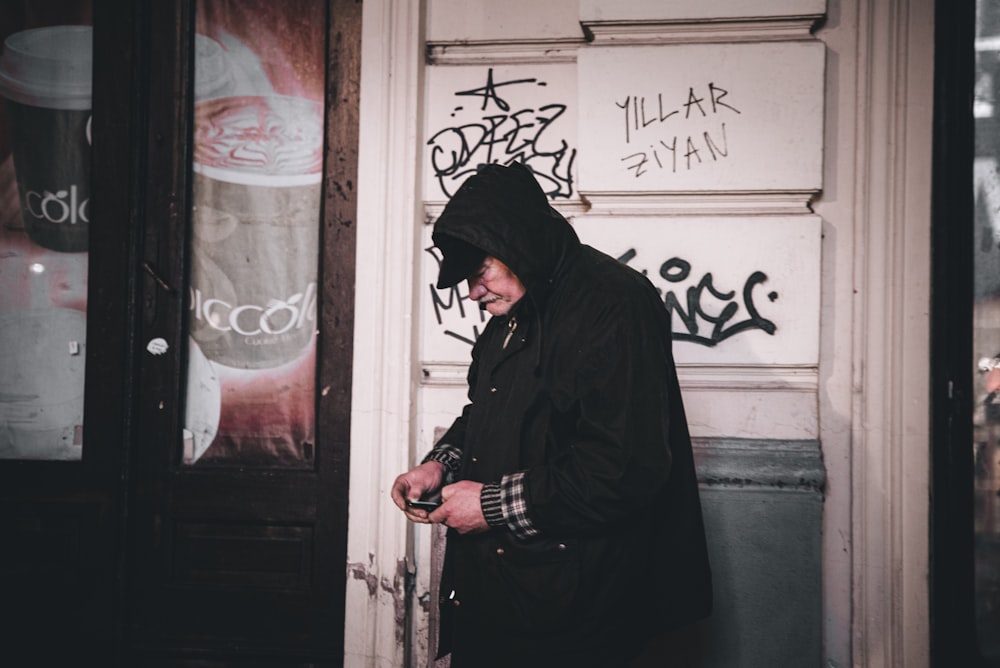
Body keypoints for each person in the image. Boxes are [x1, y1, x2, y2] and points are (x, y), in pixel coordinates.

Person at [391, 162, 712, 667]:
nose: (473, 293)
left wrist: (490, 506)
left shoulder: (615, 303)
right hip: (498, 593)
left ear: (520, 245)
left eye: (480, 274)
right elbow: (486, 410)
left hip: (575, 610)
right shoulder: (513, 309)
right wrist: (441, 463)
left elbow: (624, 467)